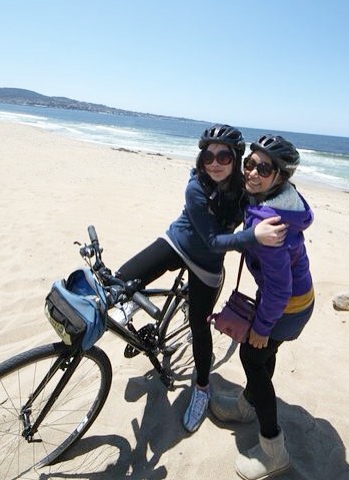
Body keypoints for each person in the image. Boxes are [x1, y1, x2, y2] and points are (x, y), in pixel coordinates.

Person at [115, 125, 288, 434]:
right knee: (121, 280)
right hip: (177, 244)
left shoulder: (245, 192)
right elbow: (212, 238)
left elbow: (278, 194)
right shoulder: (195, 186)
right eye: (208, 155)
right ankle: (131, 304)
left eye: (224, 155)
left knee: (199, 325)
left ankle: (203, 388)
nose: (215, 162)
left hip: (207, 266)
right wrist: (253, 236)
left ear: (236, 159)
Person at [209, 135, 315, 479]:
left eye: (263, 168)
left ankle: (274, 451)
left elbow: (280, 287)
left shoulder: (270, 224)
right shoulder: (280, 200)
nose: (252, 172)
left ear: (280, 177)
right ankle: (246, 405)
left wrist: (262, 327)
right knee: (264, 355)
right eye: (249, 164)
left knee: (253, 356)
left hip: (288, 305)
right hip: (296, 299)